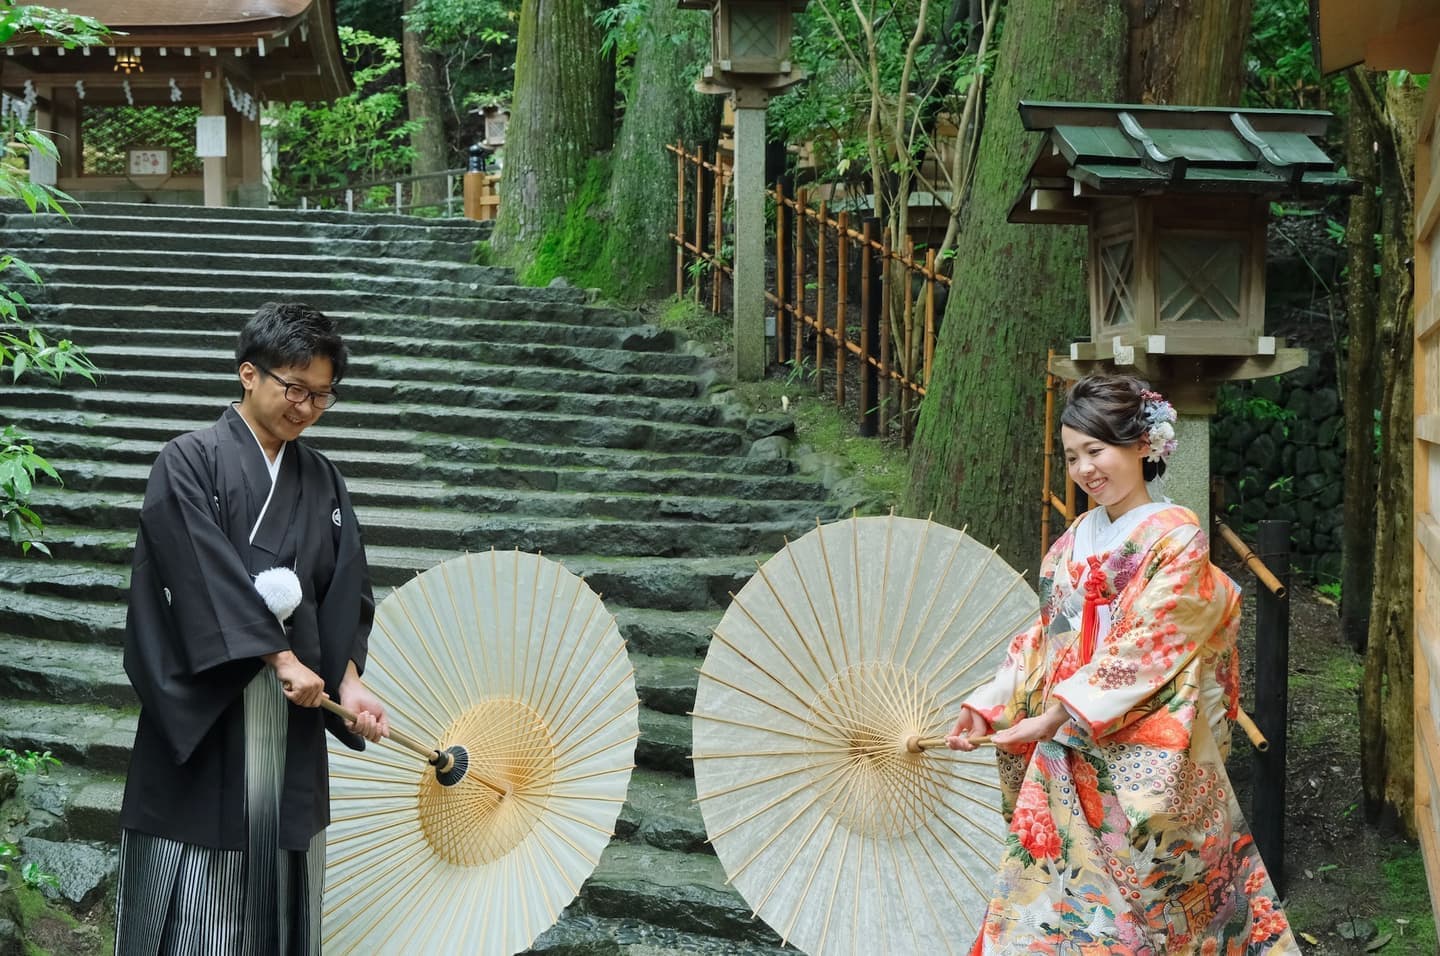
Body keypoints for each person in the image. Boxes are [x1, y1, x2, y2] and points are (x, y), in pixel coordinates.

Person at [947, 374, 1298, 954]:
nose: (1085, 469)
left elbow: (1149, 643)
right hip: (1065, 749)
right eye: (1073, 456)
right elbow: (1043, 640)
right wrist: (988, 705)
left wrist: (1059, 712)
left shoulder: (1176, 538)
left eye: (1097, 450)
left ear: (1143, 444)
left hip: (1140, 751)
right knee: (1048, 912)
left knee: (1166, 910)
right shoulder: (1073, 540)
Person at [114, 302, 390, 955]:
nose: (307, 408)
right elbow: (195, 569)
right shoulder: (188, 461)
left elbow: (344, 590)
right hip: (209, 710)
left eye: (322, 396)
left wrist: (348, 684)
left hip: (293, 719)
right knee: (198, 895)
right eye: (295, 388)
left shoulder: (323, 480)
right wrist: (278, 656)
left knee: (277, 889)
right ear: (248, 374)